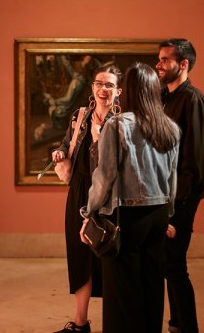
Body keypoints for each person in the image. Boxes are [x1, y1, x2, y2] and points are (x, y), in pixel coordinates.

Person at [79, 62, 180, 333]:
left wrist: (89, 212)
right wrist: (168, 214)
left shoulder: (117, 125)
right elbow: (172, 179)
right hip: (158, 216)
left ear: (130, 91)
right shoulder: (170, 127)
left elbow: (104, 176)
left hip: (128, 216)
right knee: (152, 286)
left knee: (122, 293)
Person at [52, 65, 123, 333]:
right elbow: (65, 143)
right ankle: (80, 323)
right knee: (79, 256)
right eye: (99, 84)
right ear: (92, 87)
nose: (103, 89)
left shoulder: (123, 122)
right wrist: (59, 153)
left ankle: (115, 323)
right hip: (79, 192)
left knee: (109, 256)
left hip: (110, 197)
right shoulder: (79, 116)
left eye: (109, 85)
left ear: (118, 91)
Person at [156, 38, 204, 333]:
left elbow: (195, 163)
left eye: (165, 59)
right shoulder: (166, 98)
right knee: (169, 265)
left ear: (184, 64)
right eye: (160, 59)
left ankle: (186, 328)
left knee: (175, 265)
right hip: (164, 196)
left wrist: (176, 211)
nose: (159, 64)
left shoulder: (194, 101)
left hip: (181, 199)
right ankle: (177, 324)